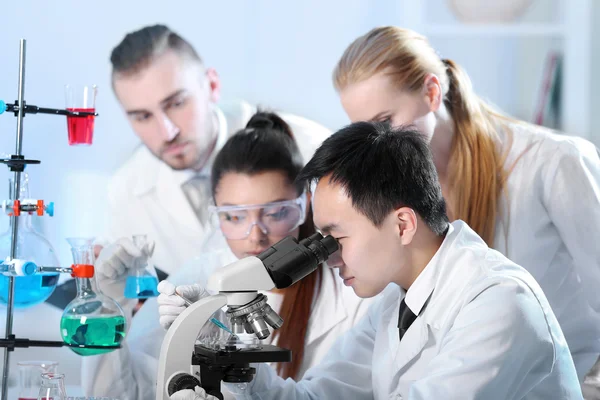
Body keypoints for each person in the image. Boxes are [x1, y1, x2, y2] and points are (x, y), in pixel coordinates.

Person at [171, 121, 583, 400]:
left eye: (335, 237)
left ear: (403, 224)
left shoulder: (500, 303)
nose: (328, 257)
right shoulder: (394, 303)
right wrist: (231, 351)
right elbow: (315, 397)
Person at [331, 26, 600, 386]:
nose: (377, 143)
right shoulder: (403, 196)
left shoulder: (551, 163)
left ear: (431, 92)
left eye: (385, 122)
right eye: (364, 131)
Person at [81, 112, 373, 399]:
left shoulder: (352, 288)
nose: (255, 235)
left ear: (305, 204)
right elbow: (120, 394)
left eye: (275, 213)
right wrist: (109, 306)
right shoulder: (198, 280)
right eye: (234, 217)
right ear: (216, 213)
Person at [98, 23, 331, 280]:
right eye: (142, 116)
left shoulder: (312, 149)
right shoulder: (125, 192)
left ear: (212, 85)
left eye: (176, 103)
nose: (167, 132)